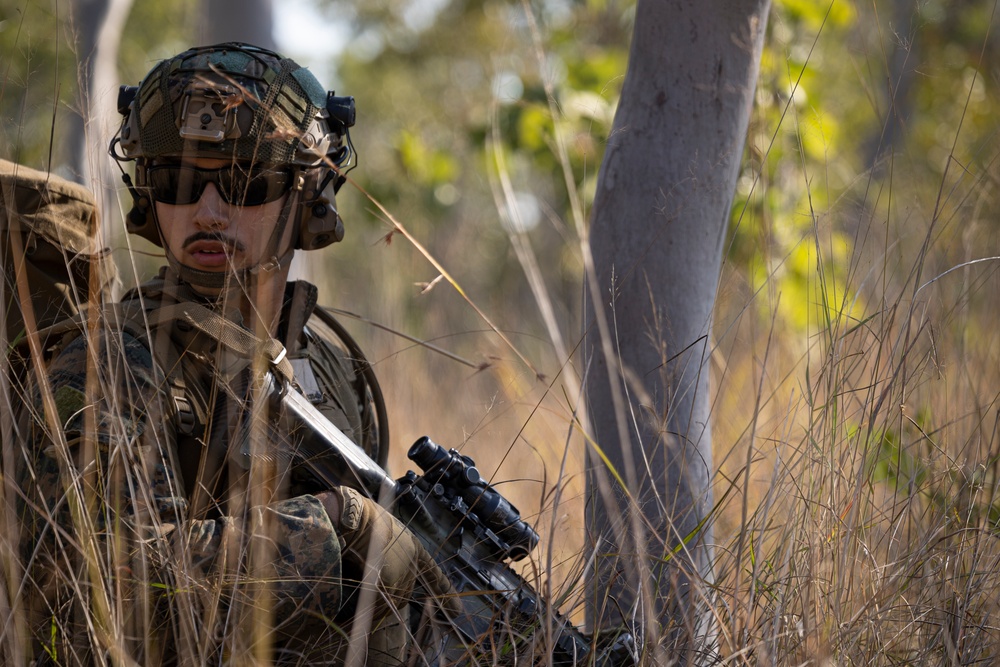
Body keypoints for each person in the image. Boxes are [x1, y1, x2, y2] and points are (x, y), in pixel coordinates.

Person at [18, 42, 453, 666]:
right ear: (148, 193)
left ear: (309, 193)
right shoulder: (111, 363)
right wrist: (335, 525)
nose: (209, 212)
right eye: (179, 182)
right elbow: (104, 594)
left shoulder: (329, 367)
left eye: (247, 183)